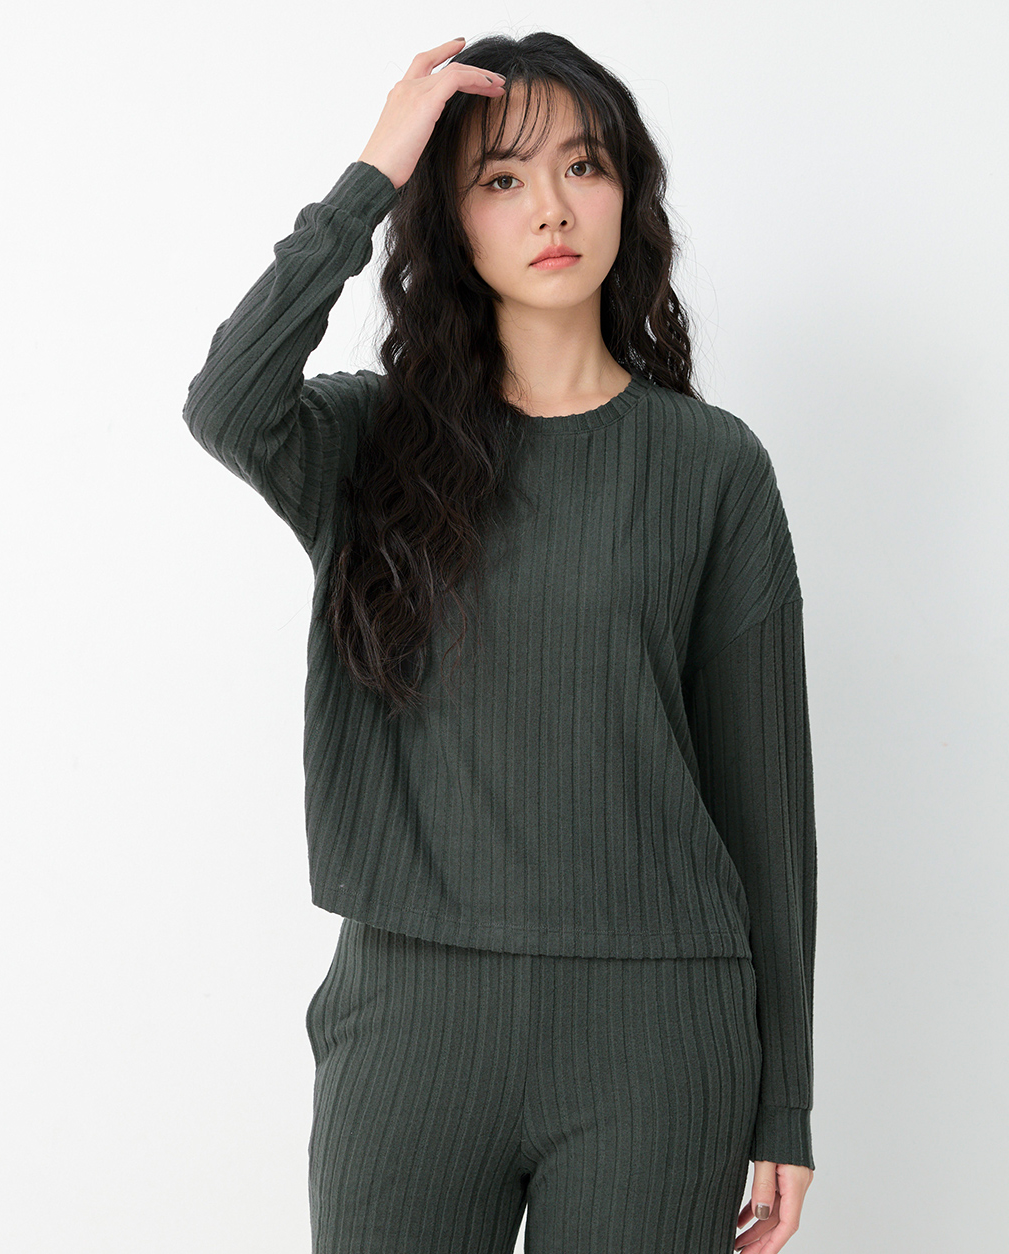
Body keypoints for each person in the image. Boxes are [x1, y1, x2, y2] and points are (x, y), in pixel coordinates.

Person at [182, 30, 817, 1254]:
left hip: (655, 1032)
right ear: (450, 221)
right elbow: (226, 403)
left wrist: (782, 1099)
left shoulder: (711, 467)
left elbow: (764, 803)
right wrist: (373, 172)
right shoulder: (368, 445)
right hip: (411, 1023)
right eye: (501, 178)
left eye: (583, 166)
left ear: (628, 195)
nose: (551, 208)